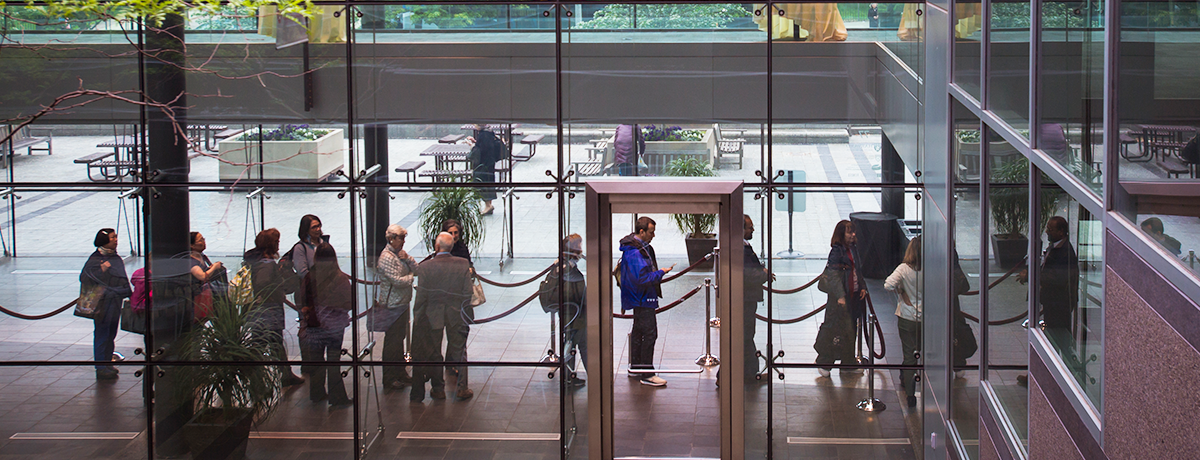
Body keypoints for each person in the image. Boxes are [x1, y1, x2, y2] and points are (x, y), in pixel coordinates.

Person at [411, 232, 475, 402]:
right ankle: (462, 388)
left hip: (433, 315)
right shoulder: (462, 264)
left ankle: (438, 388)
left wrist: (417, 315)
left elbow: (422, 296)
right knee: (459, 351)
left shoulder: (425, 267)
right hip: (456, 314)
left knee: (434, 352)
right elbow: (468, 292)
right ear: (451, 246)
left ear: (436, 247)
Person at [244, 228, 305, 387]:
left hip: (262, 309)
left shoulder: (256, 261)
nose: (278, 245)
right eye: (276, 242)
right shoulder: (267, 264)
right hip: (269, 309)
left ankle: (281, 375)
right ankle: (258, 379)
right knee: (267, 342)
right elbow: (263, 284)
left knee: (270, 342)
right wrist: (277, 291)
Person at [619, 216, 673, 387]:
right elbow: (642, 278)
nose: (653, 235)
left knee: (639, 332)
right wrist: (661, 272)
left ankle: (636, 367)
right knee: (649, 333)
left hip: (638, 297)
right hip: (642, 298)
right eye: (651, 232)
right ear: (641, 231)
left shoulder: (635, 248)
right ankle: (647, 373)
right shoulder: (635, 252)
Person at [298, 243, 353, 408]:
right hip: (334, 326)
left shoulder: (310, 277)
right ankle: (337, 397)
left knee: (316, 359)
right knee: (333, 361)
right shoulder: (340, 278)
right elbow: (348, 303)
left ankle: (317, 393)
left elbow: (303, 299)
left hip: (314, 324)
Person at [814, 220, 866, 377]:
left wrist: (862, 286)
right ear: (841, 234)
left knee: (850, 332)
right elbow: (833, 275)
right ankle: (824, 363)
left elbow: (858, 269)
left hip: (853, 297)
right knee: (833, 330)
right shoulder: (837, 251)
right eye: (849, 232)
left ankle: (847, 363)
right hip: (840, 300)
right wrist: (840, 296)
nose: (853, 235)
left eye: (853, 231)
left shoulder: (853, 249)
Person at [81, 228, 133, 380]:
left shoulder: (114, 257)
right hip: (102, 303)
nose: (116, 240)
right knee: (102, 333)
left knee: (111, 333)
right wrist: (102, 270)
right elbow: (85, 277)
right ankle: (101, 366)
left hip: (114, 301)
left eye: (116, 237)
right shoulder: (95, 260)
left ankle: (108, 361)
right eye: (112, 238)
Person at [377, 224, 417, 390]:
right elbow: (397, 281)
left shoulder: (400, 255)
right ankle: (389, 376)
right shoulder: (387, 257)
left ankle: (400, 372)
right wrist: (410, 277)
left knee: (399, 339)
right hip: (391, 305)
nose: (403, 241)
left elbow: (417, 268)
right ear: (391, 239)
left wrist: (407, 258)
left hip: (402, 303)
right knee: (392, 342)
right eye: (401, 238)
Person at [885, 236, 923, 407]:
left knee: (909, 356)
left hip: (907, 316)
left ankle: (910, 394)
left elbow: (888, 285)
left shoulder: (903, 269)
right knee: (920, 352)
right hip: (927, 319)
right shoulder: (932, 269)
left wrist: (901, 290)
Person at [549, 234, 588, 387]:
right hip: (574, 313)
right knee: (581, 344)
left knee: (571, 343)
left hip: (568, 312)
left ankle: (568, 376)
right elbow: (574, 291)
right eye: (578, 246)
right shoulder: (568, 268)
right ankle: (579, 376)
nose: (581, 249)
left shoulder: (562, 264)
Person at [291, 214, 324, 376]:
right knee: (306, 325)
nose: (318, 230)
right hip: (307, 292)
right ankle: (308, 363)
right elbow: (302, 271)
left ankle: (317, 359)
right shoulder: (300, 248)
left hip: (322, 291)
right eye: (314, 227)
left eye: (318, 226)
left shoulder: (323, 243)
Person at [741, 215, 773, 383]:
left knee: (746, 336)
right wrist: (763, 274)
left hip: (746, 299)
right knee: (746, 336)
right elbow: (747, 274)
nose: (752, 230)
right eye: (749, 227)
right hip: (745, 299)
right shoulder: (741, 249)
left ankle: (749, 373)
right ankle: (751, 373)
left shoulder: (744, 247)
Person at [466, 124, 503, 215]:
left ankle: (488, 205)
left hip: (484, 164)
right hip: (489, 163)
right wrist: (475, 142)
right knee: (488, 182)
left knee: (483, 183)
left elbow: (481, 151)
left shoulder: (483, 135)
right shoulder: (489, 132)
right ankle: (488, 205)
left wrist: (472, 146)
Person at [187, 232, 225, 320]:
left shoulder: (201, 256)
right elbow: (203, 276)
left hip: (205, 295)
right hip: (197, 297)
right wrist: (214, 267)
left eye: (203, 239)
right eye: (200, 240)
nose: (204, 242)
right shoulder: (191, 261)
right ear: (192, 245)